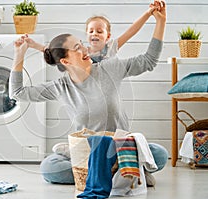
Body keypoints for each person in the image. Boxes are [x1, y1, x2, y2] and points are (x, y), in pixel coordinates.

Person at [9, 0, 167, 188]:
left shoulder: (110, 67)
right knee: (49, 167)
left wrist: (160, 22)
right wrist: (19, 55)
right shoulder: (61, 87)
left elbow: (149, 61)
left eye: (81, 45)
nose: (85, 49)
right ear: (65, 61)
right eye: (77, 48)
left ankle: (104, 171)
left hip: (118, 147)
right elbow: (17, 93)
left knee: (159, 154)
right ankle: (123, 171)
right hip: (87, 151)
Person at [24, 1, 160, 64]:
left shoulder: (111, 47)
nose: (95, 33)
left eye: (100, 31)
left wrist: (148, 13)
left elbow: (131, 31)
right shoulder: (82, 51)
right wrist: (34, 45)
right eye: (91, 31)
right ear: (87, 35)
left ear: (108, 36)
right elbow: (56, 51)